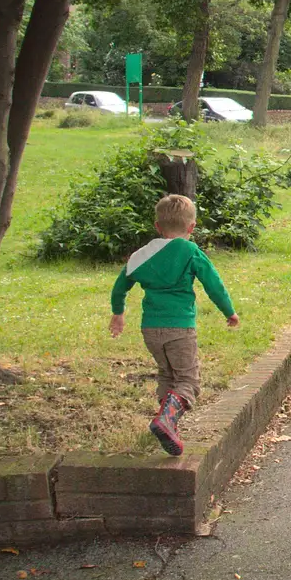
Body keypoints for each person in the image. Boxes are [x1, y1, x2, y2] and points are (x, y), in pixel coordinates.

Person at [108, 194, 239, 456]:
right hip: (179, 328)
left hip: (150, 329)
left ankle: (170, 428)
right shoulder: (190, 251)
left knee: (167, 375)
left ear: (157, 226)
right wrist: (229, 312)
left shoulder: (140, 255)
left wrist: (118, 313)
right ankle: (166, 421)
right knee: (188, 381)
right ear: (191, 228)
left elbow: (120, 286)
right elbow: (214, 284)